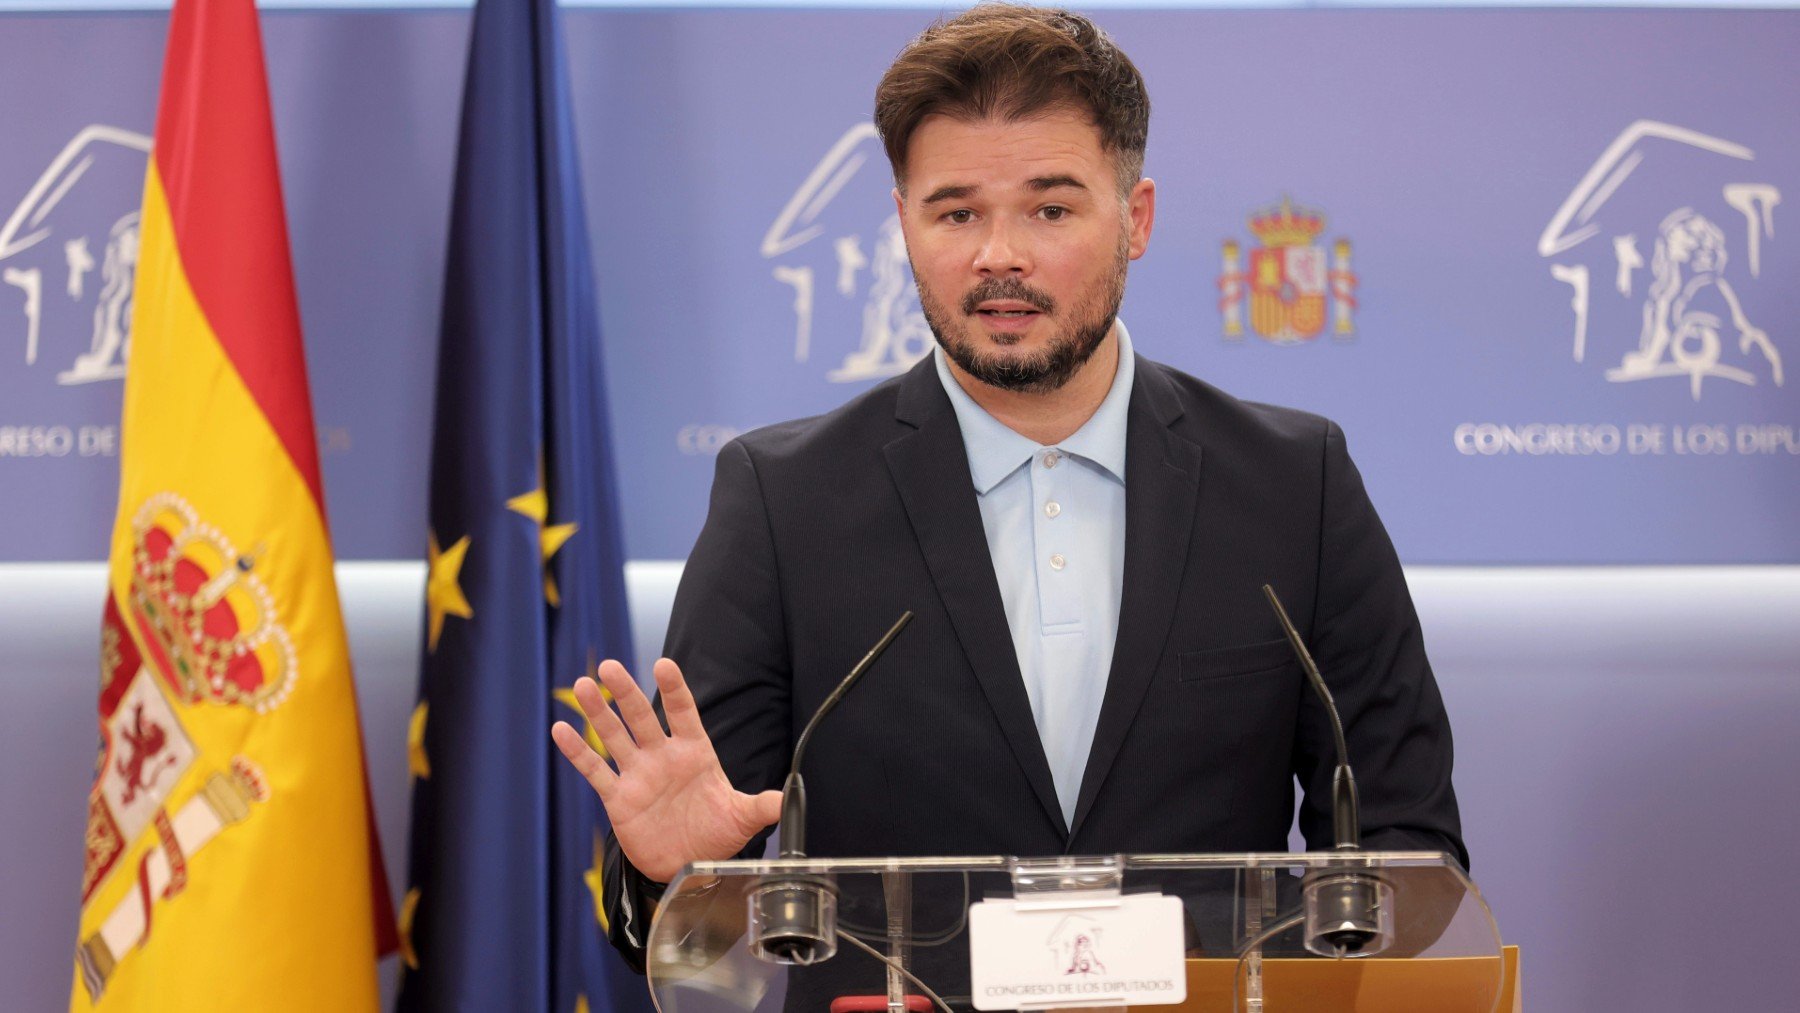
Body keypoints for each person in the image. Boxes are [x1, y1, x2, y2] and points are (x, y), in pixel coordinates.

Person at [552, 0, 1465, 987]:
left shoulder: (1294, 484)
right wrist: (672, 877)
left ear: (1138, 219)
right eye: (956, 212)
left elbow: (1407, 846)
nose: (999, 254)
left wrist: (1239, 989)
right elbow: (694, 930)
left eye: (1051, 207)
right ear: (905, 224)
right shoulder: (784, 501)